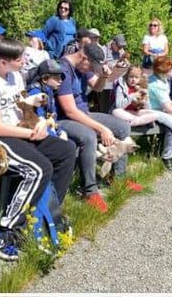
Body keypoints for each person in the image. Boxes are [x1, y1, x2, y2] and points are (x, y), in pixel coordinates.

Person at [0, 37, 77, 261]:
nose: (25, 61)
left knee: (67, 150)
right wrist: (31, 133)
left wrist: (37, 122)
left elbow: (21, 109)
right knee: (39, 168)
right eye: (20, 59)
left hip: (21, 130)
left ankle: (47, 213)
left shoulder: (16, 76)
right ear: (3, 61)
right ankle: (8, 229)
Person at [56, 42, 132, 209]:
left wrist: (104, 77)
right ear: (83, 58)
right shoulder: (64, 69)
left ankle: (118, 179)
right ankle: (90, 191)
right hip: (63, 119)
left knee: (123, 128)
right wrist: (101, 128)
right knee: (89, 136)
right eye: (91, 65)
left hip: (85, 114)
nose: (92, 69)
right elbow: (69, 111)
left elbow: (97, 88)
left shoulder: (82, 67)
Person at [112, 64, 172, 172]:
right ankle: (138, 122)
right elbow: (118, 105)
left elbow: (146, 107)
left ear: (140, 78)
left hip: (135, 113)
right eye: (131, 77)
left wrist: (144, 100)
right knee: (116, 111)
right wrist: (132, 96)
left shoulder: (141, 88)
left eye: (136, 77)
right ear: (127, 76)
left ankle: (144, 120)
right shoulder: (122, 87)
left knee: (153, 113)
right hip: (123, 113)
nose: (133, 80)